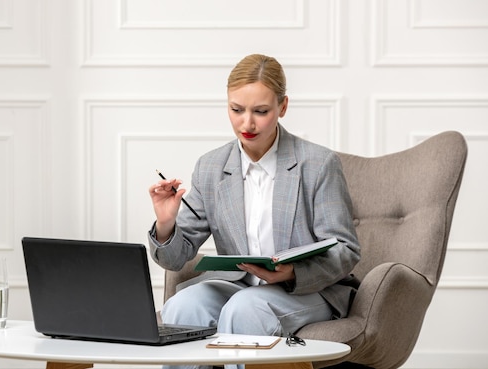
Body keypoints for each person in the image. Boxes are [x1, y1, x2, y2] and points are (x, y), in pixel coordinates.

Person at [147, 54, 360, 368]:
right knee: (181, 308)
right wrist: (166, 224)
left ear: (282, 107)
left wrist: (292, 273)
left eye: (260, 111)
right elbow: (175, 257)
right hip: (240, 283)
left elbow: (346, 249)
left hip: (308, 289)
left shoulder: (318, 164)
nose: (247, 123)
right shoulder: (211, 167)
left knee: (245, 309)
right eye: (237, 110)